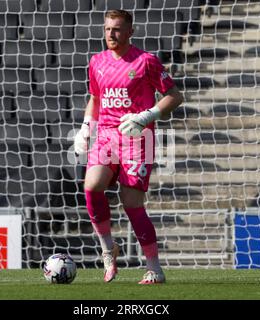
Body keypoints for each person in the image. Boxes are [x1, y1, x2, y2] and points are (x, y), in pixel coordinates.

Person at [73, 10, 183, 284]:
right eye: (108, 29)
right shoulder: (96, 62)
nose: (111, 34)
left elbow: (174, 96)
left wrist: (146, 116)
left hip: (138, 138)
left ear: (130, 32)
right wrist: (87, 127)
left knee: (131, 204)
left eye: (118, 29)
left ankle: (154, 268)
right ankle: (108, 250)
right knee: (91, 187)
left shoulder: (146, 62)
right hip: (108, 135)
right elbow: (95, 98)